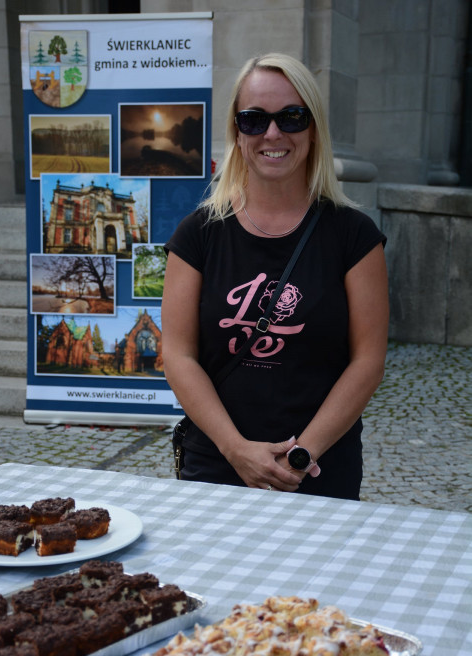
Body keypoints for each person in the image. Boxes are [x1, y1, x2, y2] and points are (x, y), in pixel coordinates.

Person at [161, 52, 389, 501]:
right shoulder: (198, 235)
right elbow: (177, 355)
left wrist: (302, 455)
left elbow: (368, 362)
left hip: (321, 470)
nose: (272, 133)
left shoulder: (354, 236)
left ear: (314, 127)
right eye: (253, 119)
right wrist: (236, 449)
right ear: (236, 131)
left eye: (291, 117)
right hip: (216, 464)